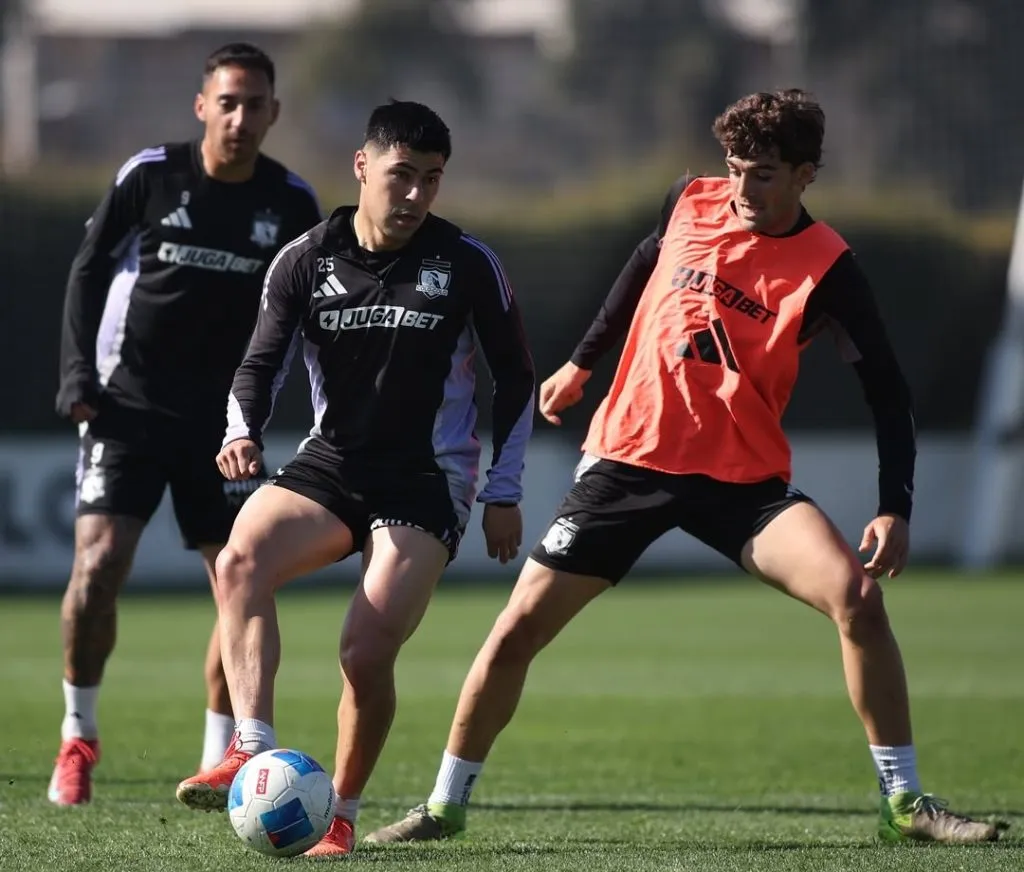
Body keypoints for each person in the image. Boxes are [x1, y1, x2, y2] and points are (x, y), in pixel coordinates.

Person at [363, 89, 1009, 846]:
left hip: (744, 484)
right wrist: (580, 364)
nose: (741, 191)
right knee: (514, 634)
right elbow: (639, 270)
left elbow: (888, 392)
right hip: (627, 464)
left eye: (764, 175)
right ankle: (443, 806)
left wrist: (894, 506)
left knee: (859, 602)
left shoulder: (829, 266)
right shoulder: (689, 201)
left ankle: (906, 805)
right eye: (735, 169)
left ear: (806, 175)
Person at [174, 99, 536, 856]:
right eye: (402, 175)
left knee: (364, 652)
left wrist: (503, 491)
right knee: (240, 558)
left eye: (431, 180)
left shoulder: (467, 263)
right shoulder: (306, 258)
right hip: (332, 462)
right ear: (363, 166)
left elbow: (517, 379)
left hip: (426, 479)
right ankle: (250, 745)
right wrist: (240, 432)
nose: (415, 195)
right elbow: (259, 365)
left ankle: (338, 814)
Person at [50, 43, 322, 806]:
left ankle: (222, 762)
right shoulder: (149, 176)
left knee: (238, 582)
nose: (240, 118)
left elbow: (309, 317)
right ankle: (78, 737)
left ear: (273, 113)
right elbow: (88, 269)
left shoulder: (292, 203)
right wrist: (77, 376)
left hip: (225, 427)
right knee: (97, 568)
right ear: (202, 105)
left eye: (254, 104)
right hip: (126, 407)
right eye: (226, 102)